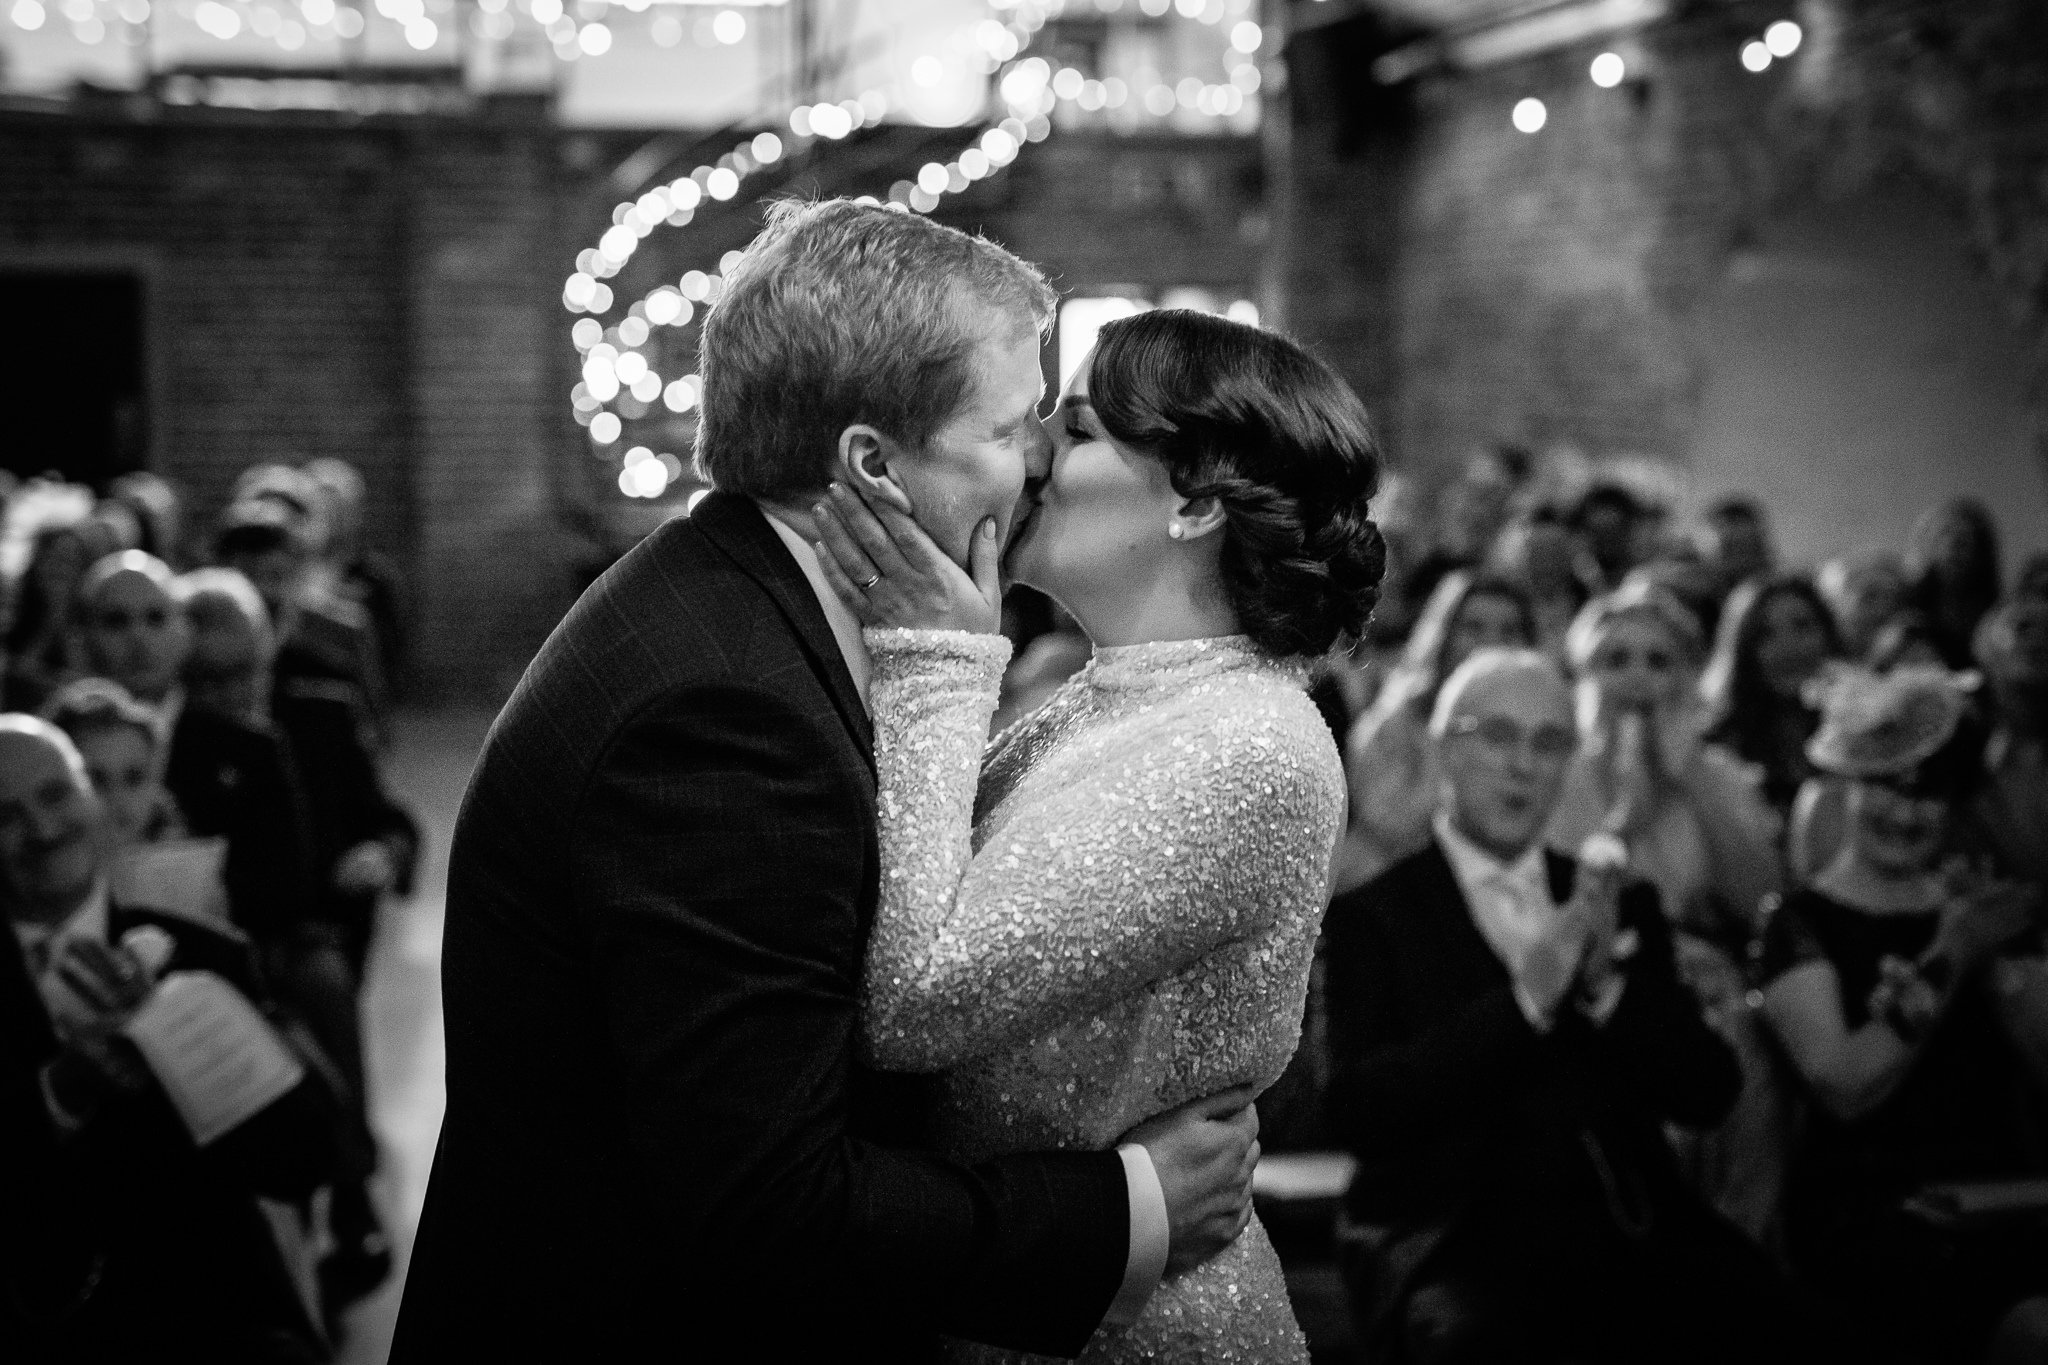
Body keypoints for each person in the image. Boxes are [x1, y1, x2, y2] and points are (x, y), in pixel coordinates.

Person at [392, 199, 1263, 1363]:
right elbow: (765, 1207)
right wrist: (1126, 1207)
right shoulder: (722, 717)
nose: (1045, 459)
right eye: (1011, 428)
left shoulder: (734, 601)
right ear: (870, 465)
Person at [811, 305, 1383, 1360]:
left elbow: (915, 994)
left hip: (1140, 1330)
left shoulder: (1247, 747)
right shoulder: (1115, 694)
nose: (1033, 455)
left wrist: (934, 653)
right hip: (1036, 1293)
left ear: (1197, 501)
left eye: (1073, 432)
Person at [1323, 650, 1803, 1365]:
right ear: (1446, 745)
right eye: (1499, 735)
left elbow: (1710, 1091)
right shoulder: (1374, 916)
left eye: (1549, 741)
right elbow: (1362, 1112)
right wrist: (1524, 1002)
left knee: (1766, 1311)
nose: (1524, 764)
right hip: (1452, 1232)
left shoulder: (1613, 899)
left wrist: (1608, 989)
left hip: (1626, 1222)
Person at [0, 715, 339, 1362]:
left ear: (93, 802)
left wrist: (182, 1031)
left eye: (53, 796)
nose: (41, 831)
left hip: (201, 1314)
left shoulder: (204, 955)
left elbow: (306, 1155)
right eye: (4, 815)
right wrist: (59, 1093)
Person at [1759, 665, 2048, 1362]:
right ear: (1849, 784)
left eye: (1932, 794)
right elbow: (1845, 1083)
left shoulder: (1977, 907)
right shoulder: (1800, 921)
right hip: (1876, 1210)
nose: (1907, 812)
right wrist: (1952, 951)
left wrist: (2003, 971)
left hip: (2005, 1192)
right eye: (1888, 784)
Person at [1546, 581, 1790, 1242]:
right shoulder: (1557, 774)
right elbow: (1567, 905)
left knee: (1731, 1027)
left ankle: (1739, 1245)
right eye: (1616, 658)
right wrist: (1627, 814)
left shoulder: (1719, 775)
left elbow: (1763, 900)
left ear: (1687, 675)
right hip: (1593, 983)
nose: (1638, 678)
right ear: (1587, 673)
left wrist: (1689, 782)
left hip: (1715, 977)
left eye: (1659, 661)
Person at [1335, 570, 1535, 895]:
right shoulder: (1398, 719)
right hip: (1388, 889)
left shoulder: (1540, 731)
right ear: (1444, 635)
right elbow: (1385, 822)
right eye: (1474, 627)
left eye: (1509, 630)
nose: (1491, 642)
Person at [1702, 574, 1843, 815]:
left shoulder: (1864, 729)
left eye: (1802, 625)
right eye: (1765, 634)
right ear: (1741, 651)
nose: (1788, 648)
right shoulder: (1718, 747)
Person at [1904, 497, 2003, 670]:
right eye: (1945, 533)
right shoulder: (1905, 608)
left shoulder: (1995, 615)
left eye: (1967, 537)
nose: (1955, 545)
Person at [1818, 549, 1909, 663]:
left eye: (1893, 600)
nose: (1882, 610)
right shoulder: (1815, 660)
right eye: (1870, 597)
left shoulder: (1909, 657)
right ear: (1837, 603)